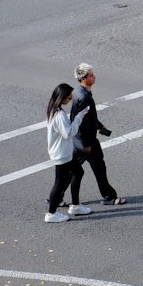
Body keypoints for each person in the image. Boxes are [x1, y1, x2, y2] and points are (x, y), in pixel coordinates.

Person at [70, 62, 126, 206]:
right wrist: (87, 144)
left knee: (71, 170)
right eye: (91, 75)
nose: (94, 77)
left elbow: (88, 117)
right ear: (83, 78)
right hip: (85, 141)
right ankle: (109, 197)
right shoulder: (84, 97)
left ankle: (55, 199)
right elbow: (83, 123)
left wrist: (100, 126)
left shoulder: (79, 92)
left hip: (78, 140)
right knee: (98, 167)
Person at [44, 83, 90, 223]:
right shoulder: (59, 115)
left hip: (62, 152)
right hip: (62, 154)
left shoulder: (52, 110)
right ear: (62, 98)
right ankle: (51, 213)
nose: (70, 100)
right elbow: (68, 133)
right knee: (59, 183)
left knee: (78, 172)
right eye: (69, 98)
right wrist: (79, 118)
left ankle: (75, 205)